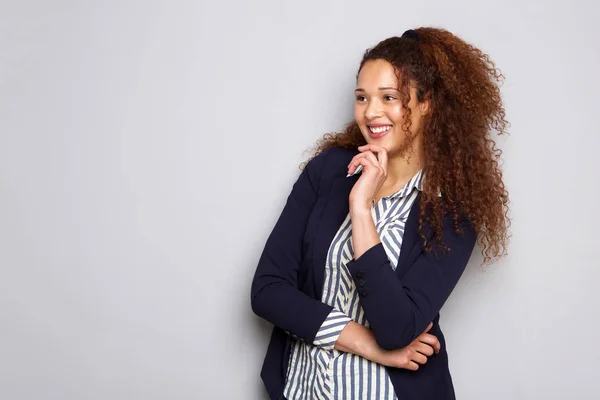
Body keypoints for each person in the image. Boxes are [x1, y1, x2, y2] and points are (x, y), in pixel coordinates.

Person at [251, 27, 509, 400]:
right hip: (302, 390)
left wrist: (360, 209)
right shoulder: (328, 171)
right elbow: (268, 291)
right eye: (362, 97)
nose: (371, 112)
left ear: (427, 103)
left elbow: (396, 327)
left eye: (389, 97)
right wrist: (369, 345)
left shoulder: (453, 211)